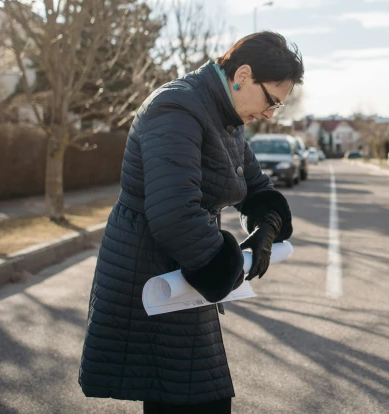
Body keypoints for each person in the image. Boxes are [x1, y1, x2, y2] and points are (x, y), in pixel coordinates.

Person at [79, 32, 304, 413]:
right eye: (271, 101)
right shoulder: (177, 107)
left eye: (277, 107)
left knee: (194, 394)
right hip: (150, 275)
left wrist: (266, 227)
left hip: (187, 270)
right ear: (243, 74)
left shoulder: (226, 118)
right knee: (192, 398)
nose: (269, 114)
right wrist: (227, 266)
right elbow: (174, 213)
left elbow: (256, 186)